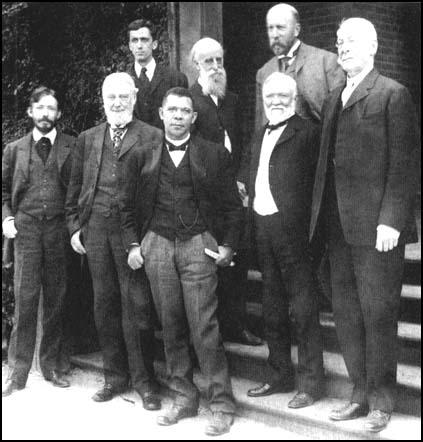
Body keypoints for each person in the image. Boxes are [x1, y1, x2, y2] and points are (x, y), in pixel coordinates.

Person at [309, 18, 419, 432]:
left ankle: (381, 400)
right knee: (347, 315)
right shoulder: (336, 95)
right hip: (337, 227)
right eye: (339, 42)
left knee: (378, 315)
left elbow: (404, 165)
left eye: (351, 41)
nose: (343, 47)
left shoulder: (393, 94)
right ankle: (358, 393)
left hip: (376, 231)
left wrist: (392, 220)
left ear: (373, 46)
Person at [119, 87, 243, 436]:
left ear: (194, 117)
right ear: (160, 114)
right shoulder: (142, 155)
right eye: (171, 110)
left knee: (204, 327)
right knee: (171, 326)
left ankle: (221, 404)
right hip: (156, 245)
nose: (177, 116)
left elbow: (234, 208)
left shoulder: (214, 154)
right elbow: (126, 207)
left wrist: (228, 247)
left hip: (198, 245)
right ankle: (184, 398)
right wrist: (133, 245)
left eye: (184, 111)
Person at [65, 72, 162, 410]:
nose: (117, 103)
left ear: (134, 99)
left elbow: (155, 192)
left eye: (123, 97)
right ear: (102, 100)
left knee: (136, 307)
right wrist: (75, 227)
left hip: (132, 235)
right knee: (104, 305)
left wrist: (144, 239)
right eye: (111, 98)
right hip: (95, 234)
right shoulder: (88, 138)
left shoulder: (151, 136)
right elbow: (75, 188)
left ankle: (145, 382)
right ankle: (114, 377)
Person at [240, 73, 324, 409]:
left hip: (295, 233)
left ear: (294, 97)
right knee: (272, 305)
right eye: (269, 95)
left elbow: (318, 190)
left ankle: (311, 383)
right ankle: (279, 375)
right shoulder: (260, 133)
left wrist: (311, 235)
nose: (275, 100)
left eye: (281, 95)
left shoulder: (308, 133)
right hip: (263, 227)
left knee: (303, 308)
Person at [189, 37, 262, 346]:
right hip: (205, 198)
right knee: (210, 262)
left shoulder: (232, 100)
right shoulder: (188, 100)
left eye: (219, 61)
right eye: (209, 62)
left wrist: (244, 179)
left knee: (239, 259)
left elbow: (246, 144)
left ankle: (237, 324)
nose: (216, 67)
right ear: (196, 66)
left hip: (237, 196)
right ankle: (212, 331)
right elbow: (189, 151)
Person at [2, 86, 74, 396]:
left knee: (56, 301)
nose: (46, 114)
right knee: (26, 300)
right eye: (40, 108)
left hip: (58, 231)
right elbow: (3, 192)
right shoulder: (14, 149)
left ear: (58, 114)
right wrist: (6, 219)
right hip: (27, 232)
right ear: (31, 112)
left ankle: (51, 366)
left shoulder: (72, 147)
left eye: (51, 108)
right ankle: (17, 373)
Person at [255, 3, 345, 130]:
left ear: (296, 30)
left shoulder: (327, 62)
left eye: (280, 27)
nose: (274, 34)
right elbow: (261, 127)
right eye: (270, 28)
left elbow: (339, 119)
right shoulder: (264, 72)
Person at [126, 19, 188, 129]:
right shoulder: (123, 81)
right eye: (135, 40)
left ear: (154, 44)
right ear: (130, 46)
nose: (139, 46)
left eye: (144, 40)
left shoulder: (176, 79)